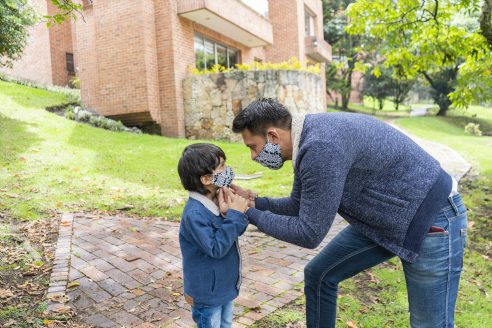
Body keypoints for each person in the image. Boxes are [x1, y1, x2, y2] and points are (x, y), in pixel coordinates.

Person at [230, 98, 467, 328]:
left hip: (430, 216)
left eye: (253, 147)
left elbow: (309, 233)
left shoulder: (320, 147)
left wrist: (249, 213)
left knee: (430, 324)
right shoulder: (308, 138)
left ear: (272, 136)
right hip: (388, 217)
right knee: (320, 274)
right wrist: (256, 202)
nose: (253, 156)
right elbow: (298, 205)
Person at [177, 143, 249, 328]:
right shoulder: (195, 214)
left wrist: (232, 212)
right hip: (207, 293)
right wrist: (234, 216)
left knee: (226, 323)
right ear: (207, 179)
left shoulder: (216, 199)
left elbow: (233, 232)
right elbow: (216, 248)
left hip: (223, 287)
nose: (228, 170)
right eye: (222, 166)